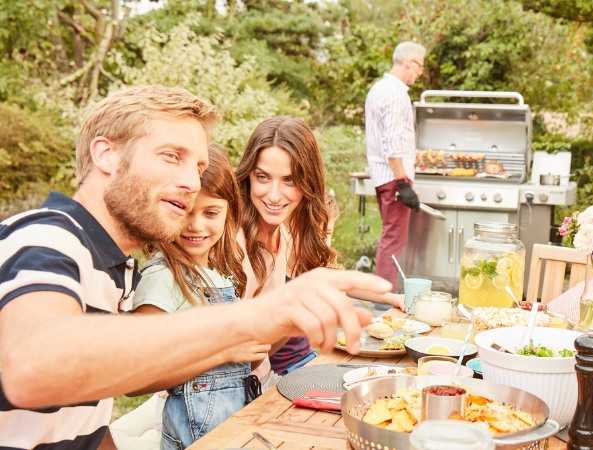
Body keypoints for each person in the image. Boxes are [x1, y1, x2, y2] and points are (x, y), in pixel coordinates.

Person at [0, 86, 389, 450]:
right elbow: (29, 369)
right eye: (172, 156)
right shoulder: (46, 237)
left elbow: (82, 427)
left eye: (198, 165)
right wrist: (249, 319)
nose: (190, 181)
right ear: (107, 155)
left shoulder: (115, 272)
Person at [236, 116, 404, 377]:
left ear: (308, 183)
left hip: (262, 380)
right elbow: (239, 351)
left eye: (289, 180)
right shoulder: (234, 239)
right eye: (262, 177)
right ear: (248, 175)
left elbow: (266, 349)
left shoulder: (279, 234)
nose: (274, 194)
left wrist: (297, 318)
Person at [131, 144, 268, 448]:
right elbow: (136, 378)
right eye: (184, 210)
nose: (196, 225)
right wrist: (223, 352)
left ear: (229, 209)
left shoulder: (220, 271)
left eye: (210, 212)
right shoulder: (163, 277)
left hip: (231, 432)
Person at [365, 41, 427, 303]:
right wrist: (403, 183)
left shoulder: (378, 89)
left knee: (390, 238)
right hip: (393, 178)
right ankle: (383, 299)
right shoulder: (396, 94)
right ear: (410, 62)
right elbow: (391, 143)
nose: (420, 73)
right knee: (393, 240)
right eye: (420, 67)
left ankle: (382, 295)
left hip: (383, 176)